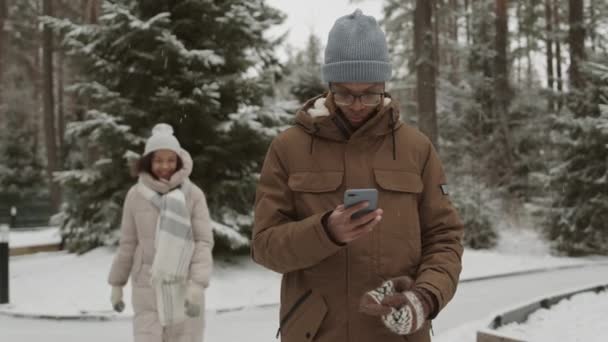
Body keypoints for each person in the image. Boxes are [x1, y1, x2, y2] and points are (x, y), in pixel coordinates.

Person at [251, 9, 463, 342]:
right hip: (317, 334)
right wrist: (325, 232)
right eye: (346, 93)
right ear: (329, 86)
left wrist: (426, 297)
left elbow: (445, 238)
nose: (358, 104)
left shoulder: (417, 148)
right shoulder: (287, 147)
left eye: (370, 93)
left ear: (385, 86)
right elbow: (264, 246)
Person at [108, 123, 214, 342]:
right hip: (146, 286)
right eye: (158, 160)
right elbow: (128, 243)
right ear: (148, 161)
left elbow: (203, 242)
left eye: (170, 160)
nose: (165, 166)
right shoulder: (135, 195)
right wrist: (117, 284)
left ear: (178, 161)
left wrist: (197, 284)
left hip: (183, 285)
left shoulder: (193, 195)